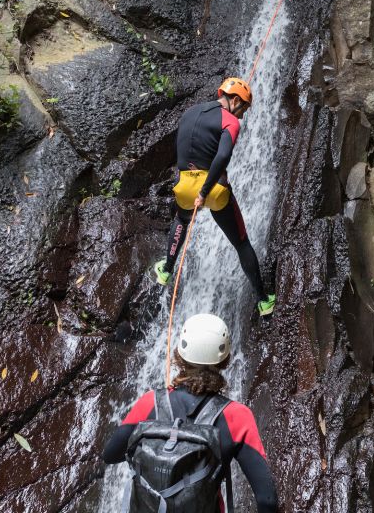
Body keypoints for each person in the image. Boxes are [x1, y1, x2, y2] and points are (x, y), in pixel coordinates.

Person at [102, 313, 278, 513]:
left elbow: (110, 455)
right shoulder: (236, 416)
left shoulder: (150, 403)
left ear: (179, 355)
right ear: (225, 360)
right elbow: (267, 499)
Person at [153, 77, 276, 316]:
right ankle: (263, 300)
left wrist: (195, 189)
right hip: (214, 188)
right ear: (235, 99)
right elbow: (223, 157)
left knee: (181, 220)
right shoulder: (230, 121)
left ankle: (166, 269)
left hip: (184, 184)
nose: (242, 116)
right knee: (240, 242)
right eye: (243, 109)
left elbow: (182, 147)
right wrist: (205, 190)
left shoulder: (189, 112)